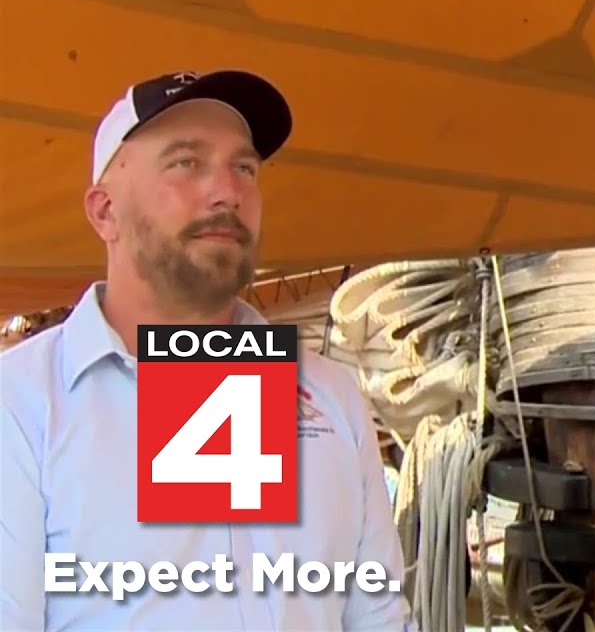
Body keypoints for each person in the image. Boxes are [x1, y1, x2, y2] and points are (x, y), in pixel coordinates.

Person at [0, 71, 413, 631]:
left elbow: (378, 618)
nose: (227, 192)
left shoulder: (329, 394)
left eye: (244, 168)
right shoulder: (22, 401)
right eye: (185, 162)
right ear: (104, 212)